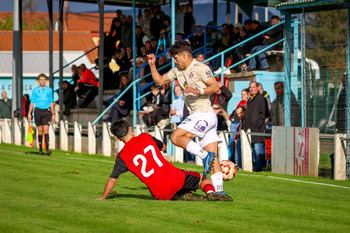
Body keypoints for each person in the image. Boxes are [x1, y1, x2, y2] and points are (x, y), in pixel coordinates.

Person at [147, 40, 230, 198]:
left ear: (184, 55)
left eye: (176, 58)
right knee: (214, 157)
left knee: (175, 137)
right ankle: (219, 191)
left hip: (204, 113)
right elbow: (159, 81)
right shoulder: (177, 70)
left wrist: (198, 90)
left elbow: (215, 88)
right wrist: (152, 64)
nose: (175, 61)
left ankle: (204, 156)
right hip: (201, 116)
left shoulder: (201, 68)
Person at [95, 120, 232, 201]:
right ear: (131, 129)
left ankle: (184, 195)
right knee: (204, 179)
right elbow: (163, 147)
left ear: (118, 139)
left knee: (179, 191)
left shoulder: (122, 156)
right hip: (175, 178)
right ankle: (211, 194)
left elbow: (113, 179)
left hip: (159, 193)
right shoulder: (145, 137)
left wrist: (103, 197)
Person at [27, 73, 54, 156]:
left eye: (43, 80)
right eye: (41, 80)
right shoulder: (35, 90)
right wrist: (29, 113)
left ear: (46, 80)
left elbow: (51, 102)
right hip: (38, 111)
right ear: (39, 81)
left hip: (46, 111)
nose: (42, 81)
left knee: (46, 130)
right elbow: (32, 102)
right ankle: (40, 150)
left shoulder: (49, 90)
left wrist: (53, 114)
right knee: (40, 131)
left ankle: (47, 149)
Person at [244, 81, 268, 172]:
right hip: (250, 129)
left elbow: (264, 113)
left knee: (259, 150)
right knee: (253, 150)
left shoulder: (261, 98)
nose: (251, 89)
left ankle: (259, 168)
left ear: (257, 88)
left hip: (258, 129)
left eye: (253, 87)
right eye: (250, 87)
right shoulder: (250, 99)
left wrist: (258, 124)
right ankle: (255, 167)